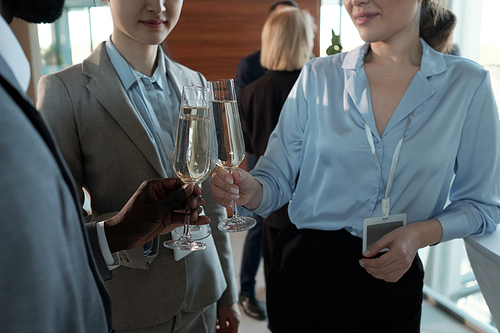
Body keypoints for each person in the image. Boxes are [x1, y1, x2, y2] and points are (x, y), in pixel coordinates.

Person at [210, 0, 500, 331]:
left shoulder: (467, 85)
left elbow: (482, 208)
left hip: (393, 273)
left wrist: (419, 234)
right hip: (303, 268)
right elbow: (275, 181)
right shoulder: (318, 75)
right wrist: (251, 189)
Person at [0, 0, 209, 331]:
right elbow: (59, 223)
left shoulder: (194, 82)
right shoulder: (63, 91)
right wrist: (126, 235)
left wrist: (227, 296)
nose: (158, 6)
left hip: (203, 295)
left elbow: (207, 192)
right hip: (132, 306)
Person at [238, 7, 315, 288]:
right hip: (310, 206)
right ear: (303, 40)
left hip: (269, 207)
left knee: (277, 285)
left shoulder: (250, 92)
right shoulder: (314, 89)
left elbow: (248, 144)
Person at [234, 0, 299, 321]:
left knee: (273, 242)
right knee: (261, 230)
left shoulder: (310, 77)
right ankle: (247, 291)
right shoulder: (251, 68)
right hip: (267, 166)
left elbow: (245, 128)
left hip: (270, 166)